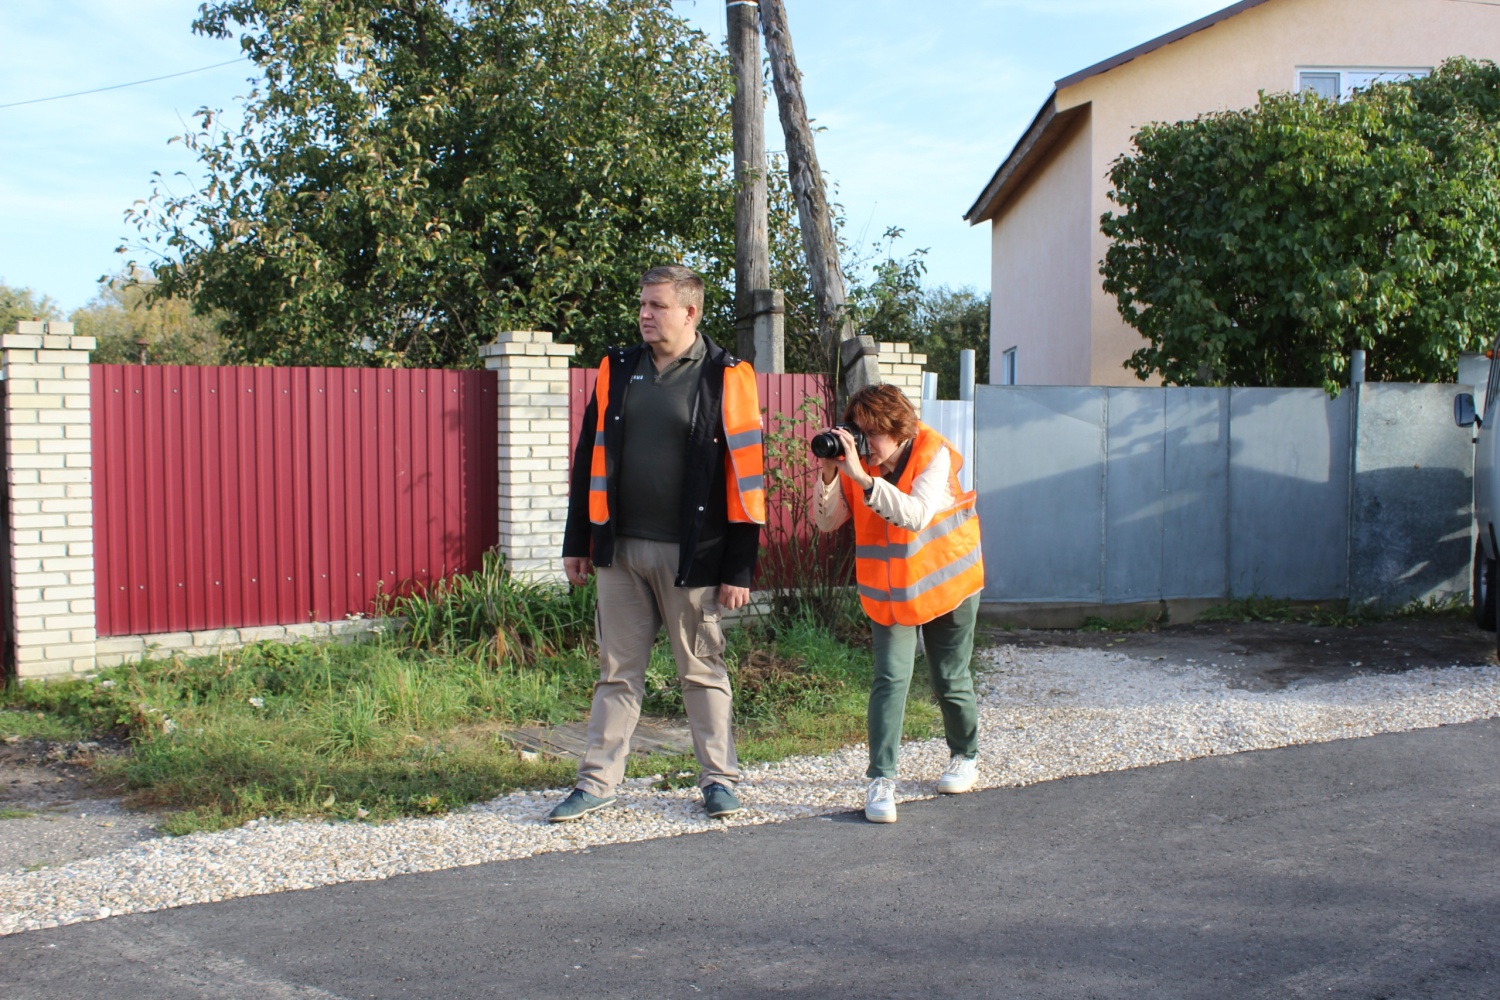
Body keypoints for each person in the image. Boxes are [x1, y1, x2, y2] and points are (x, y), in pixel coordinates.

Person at [549, 265, 766, 823]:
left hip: (691, 554)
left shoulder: (727, 374)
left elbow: (746, 475)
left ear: (690, 312)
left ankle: (719, 779)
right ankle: (597, 782)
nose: (645, 314)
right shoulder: (617, 368)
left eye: (657, 306)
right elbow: (587, 457)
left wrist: (738, 566)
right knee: (616, 670)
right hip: (619, 551)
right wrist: (579, 538)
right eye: (642, 305)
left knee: (701, 669)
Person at [811, 384, 985, 824]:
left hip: (947, 582)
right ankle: (881, 779)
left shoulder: (932, 452)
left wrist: (864, 478)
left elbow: (915, 515)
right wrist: (832, 474)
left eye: (872, 433)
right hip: (890, 590)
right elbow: (825, 521)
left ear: (899, 429)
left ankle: (965, 754)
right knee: (889, 679)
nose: (863, 442)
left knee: (948, 676)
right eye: (857, 431)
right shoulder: (859, 466)